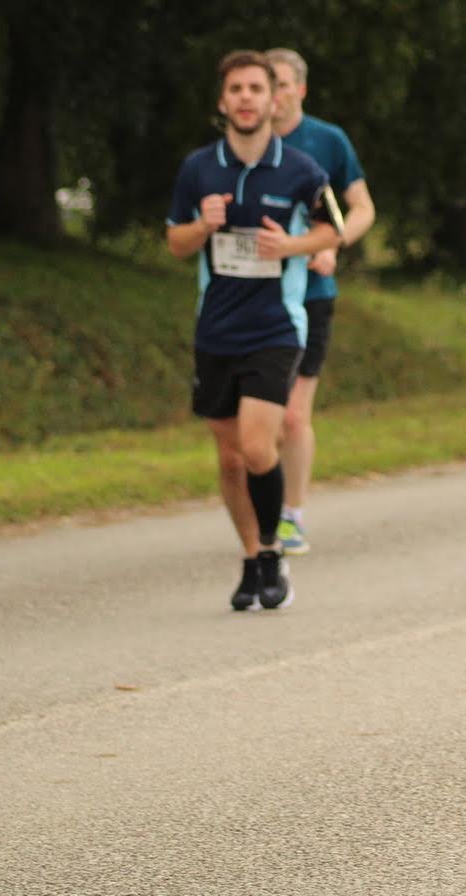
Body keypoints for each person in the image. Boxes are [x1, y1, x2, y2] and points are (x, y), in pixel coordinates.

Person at [165, 50, 340, 612]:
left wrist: (290, 245)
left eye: (256, 89)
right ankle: (251, 558)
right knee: (230, 459)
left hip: (276, 328)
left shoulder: (302, 170)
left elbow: (332, 230)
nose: (246, 98)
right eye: (236, 89)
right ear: (223, 101)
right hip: (216, 329)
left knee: (258, 445)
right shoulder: (199, 168)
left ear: (273, 99)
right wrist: (203, 224)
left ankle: (273, 551)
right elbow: (175, 242)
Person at [265, 48, 376, 555]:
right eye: (267, 84)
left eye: (283, 84)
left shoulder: (326, 141)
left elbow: (362, 208)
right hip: (254, 296)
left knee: (292, 416)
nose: (274, 94)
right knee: (259, 421)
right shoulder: (246, 146)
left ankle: (291, 516)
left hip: (310, 296)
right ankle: (262, 509)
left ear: (301, 89)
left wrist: (333, 243)